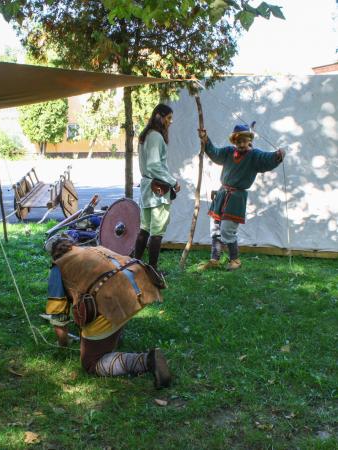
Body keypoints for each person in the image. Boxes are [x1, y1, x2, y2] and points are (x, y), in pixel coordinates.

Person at [43, 237, 171, 389]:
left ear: (52, 254)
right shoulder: (93, 248)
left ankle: (147, 360)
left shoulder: (59, 266)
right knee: (107, 301)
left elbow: (58, 315)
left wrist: (62, 344)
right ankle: (114, 334)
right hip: (142, 285)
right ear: (72, 244)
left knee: (91, 363)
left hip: (113, 299)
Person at [198, 124, 285, 271]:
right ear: (234, 141)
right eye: (238, 142)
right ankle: (215, 259)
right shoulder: (228, 152)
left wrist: (277, 155)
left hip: (236, 199)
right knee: (215, 228)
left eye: (244, 141)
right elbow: (215, 153)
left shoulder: (254, 155)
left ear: (249, 140)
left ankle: (235, 260)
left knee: (227, 230)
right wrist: (205, 139)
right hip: (221, 195)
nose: (241, 144)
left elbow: (267, 159)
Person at [134, 104, 180, 272]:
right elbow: (154, 166)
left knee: (145, 229)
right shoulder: (155, 137)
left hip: (149, 188)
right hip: (156, 189)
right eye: (168, 118)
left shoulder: (146, 135)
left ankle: (134, 264)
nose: (170, 122)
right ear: (159, 116)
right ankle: (152, 269)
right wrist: (173, 182)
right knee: (156, 230)